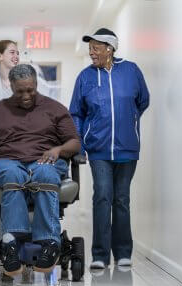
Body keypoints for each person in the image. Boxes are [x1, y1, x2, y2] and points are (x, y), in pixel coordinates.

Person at [0, 64, 80, 276]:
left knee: (45, 174)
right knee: (13, 174)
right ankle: (12, 241)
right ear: (11, 86)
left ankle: (49, 242)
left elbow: (74, 142)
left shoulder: (54, 108)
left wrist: (58, 149)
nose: (26, 95)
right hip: (9, 160)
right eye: (20, 90)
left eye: (30, 90)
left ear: (36, 85)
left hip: (44, 159)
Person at [69, 28, 150, 270]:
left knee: (122, 199)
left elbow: (143, 100)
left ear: (110, 48)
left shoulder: (131, 71)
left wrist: (130, 120)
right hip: (99, 148)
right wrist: (80, 145)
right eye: (90, 47)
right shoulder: (85, 77)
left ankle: (123, 252)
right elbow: (76, 113)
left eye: (96, 47)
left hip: (127, 148)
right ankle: (100, 255)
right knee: (103, 196)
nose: (91, 52)